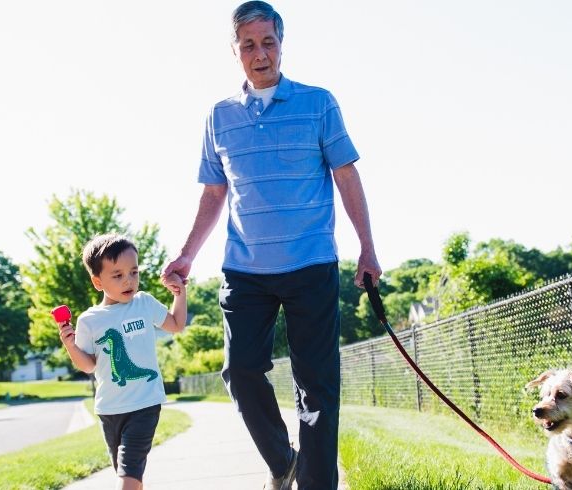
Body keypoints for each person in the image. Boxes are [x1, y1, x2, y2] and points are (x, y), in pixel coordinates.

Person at [161, 2, 380, 488]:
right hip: (245, 269)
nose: (260, 54)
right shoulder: (219, 117)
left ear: (282, 43)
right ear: (235, 50)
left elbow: (346, 174)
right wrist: (187, 254)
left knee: (317, 389)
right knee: (240, 372)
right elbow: (214, 192)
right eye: (248, 45)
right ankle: (284, 463)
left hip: (311, 265)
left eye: (268, 42)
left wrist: (367, 247)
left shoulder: (318, 103)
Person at [59, 233, 188, 490]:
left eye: (134, 272)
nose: (129, 280)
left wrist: (180, 294)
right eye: (117, 275)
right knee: (129, 477)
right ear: (98, 282)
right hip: (108, 409)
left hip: (145, 404)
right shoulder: (89, 320)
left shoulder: (143, 303)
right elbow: (88, 365)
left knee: (127, 478)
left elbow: (175, 325)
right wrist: (71, 345)